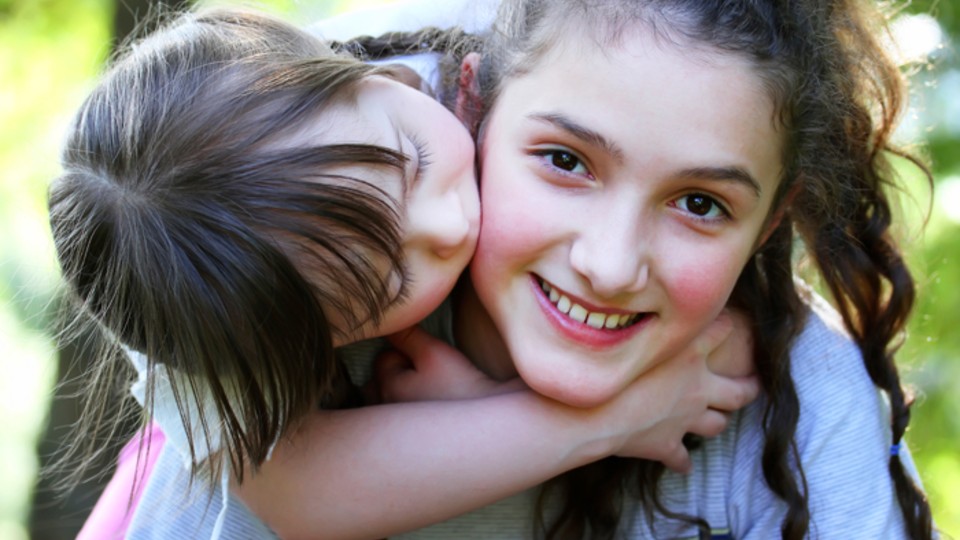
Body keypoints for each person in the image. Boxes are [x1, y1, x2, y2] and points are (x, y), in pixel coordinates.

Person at [50, 6, 758, 540]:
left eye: (411, 162)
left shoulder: (512, 55)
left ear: (380, 79)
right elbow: (294, 491)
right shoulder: (210, 286)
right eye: (385, 285)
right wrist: (613, 417)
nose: (448, 226)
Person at [241, 0, 937, 537]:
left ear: (770, 224)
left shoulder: (808, 404)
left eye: (699, 203)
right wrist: (596, 422)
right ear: (474, 107)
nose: (609, 266)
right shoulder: (326, 273)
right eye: (566, 161)